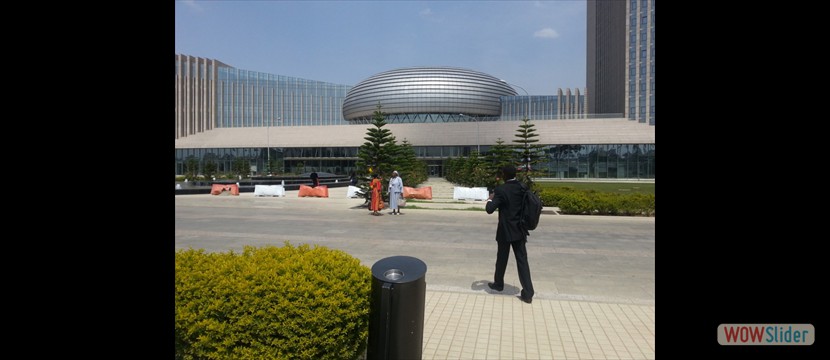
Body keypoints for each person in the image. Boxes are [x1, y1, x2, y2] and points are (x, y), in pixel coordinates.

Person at [485, 165, 535, 304]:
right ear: (515, 175)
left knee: (502, 258)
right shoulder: (522, 187)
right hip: (520, 229)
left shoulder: (501, 190)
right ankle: (528, 293)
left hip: (505, 230)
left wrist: (490, 198)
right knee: (522, 261)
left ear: (504, 175)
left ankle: (498, 284)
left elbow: (489, 209)